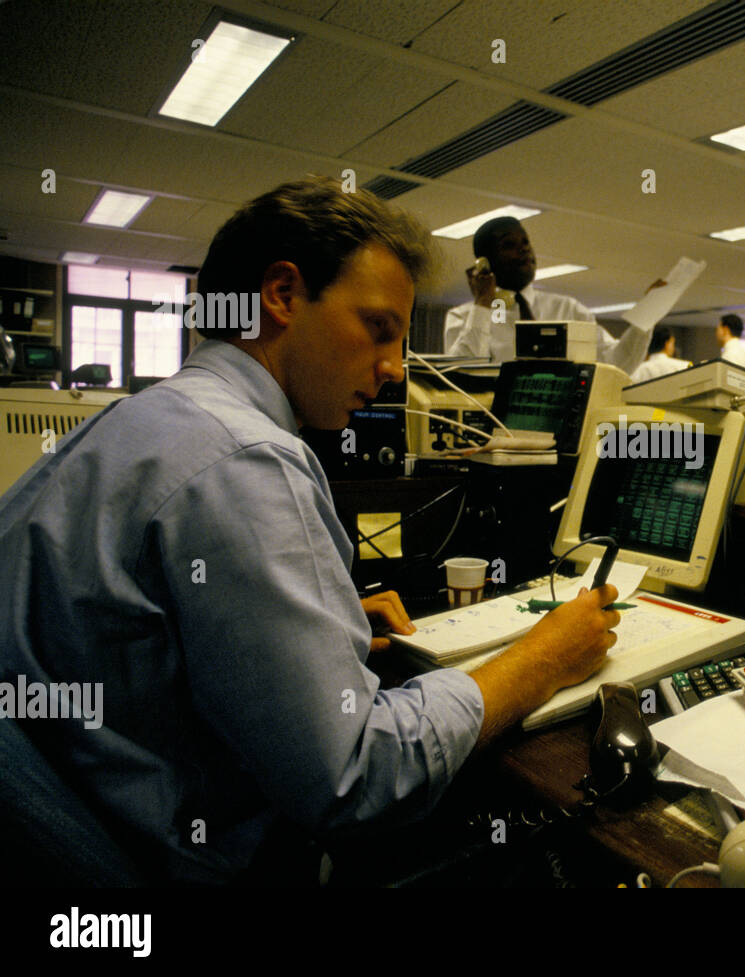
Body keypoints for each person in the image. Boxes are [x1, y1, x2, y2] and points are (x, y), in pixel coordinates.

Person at [0, 177, 619, 884]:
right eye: (378, 329)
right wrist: (543, 656)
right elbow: (356, 779)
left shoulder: (133, 421)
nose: (392, 370)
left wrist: (313, 621)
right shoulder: (248, 458)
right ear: (283, 294)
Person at [442, 217, 650, 375]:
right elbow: (462, 374)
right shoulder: (463, 317)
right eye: (508, 245)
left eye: (525, 242)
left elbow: (617, 363)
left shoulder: (568, 309)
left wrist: (650, 311)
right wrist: (482, 305)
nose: (524, 249)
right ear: (484, 263)